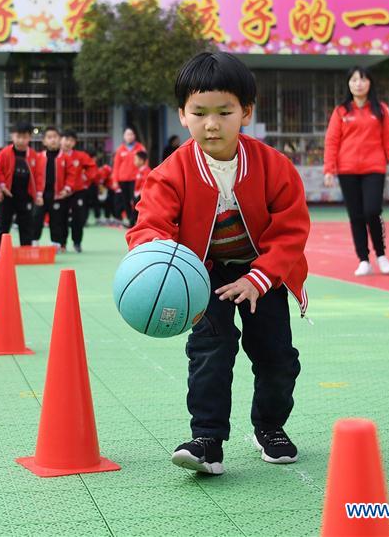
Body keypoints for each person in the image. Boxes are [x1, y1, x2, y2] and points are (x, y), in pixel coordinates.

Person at [128, 51, 310, 475]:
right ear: (182, 115)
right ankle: (207, 439)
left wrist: (259, 278)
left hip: (261, 272)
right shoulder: (169, 173)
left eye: (225, 112)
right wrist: (165, 266)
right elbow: (148, 227)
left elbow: (292, 230)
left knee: (277, 356)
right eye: (199, 112)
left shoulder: (273, 166)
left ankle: (271, 427)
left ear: (246, 111)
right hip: (202, 275)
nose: (212, 123)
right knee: (210, 349)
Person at [323, 65, 389, 277]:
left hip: (374, 168)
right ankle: (363, 259)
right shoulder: (341, 112)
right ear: (349, 84)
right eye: (354, 80)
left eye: (363, 80)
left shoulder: (381, 110)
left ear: (370, 83)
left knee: (372, 211)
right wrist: (329, 169)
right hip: (347, 170)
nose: (359, 84)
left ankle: (381, 254)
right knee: (356, 215)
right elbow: (332, 141)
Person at [0, 123, 42, 247]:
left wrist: (38, 194)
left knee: (26, 224)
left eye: (25, 137)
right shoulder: (4, 153)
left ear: (30, 138)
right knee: (3, 224)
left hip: (26, 195)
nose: (21, 140)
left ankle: (26, 249)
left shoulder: (33, 155)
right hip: (7, 195)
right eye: (18, 137)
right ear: (12, 136)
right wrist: (0, 188)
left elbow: (39, 176)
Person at [61, 130, 97, 253]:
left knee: (78, 218)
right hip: (61, 193)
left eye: (71, 140)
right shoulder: (56, 155)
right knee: (61, 218)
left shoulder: (80, 156)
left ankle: (77, 243)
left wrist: (85, 177)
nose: (68, 142)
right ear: (61, 140)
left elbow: (92, 167)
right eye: (66, 139)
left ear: (75, 143)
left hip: (78, 192)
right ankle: (62, 243)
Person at [32, 126, 63, 245]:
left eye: (55, 137)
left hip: (57, 195)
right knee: (36, 218)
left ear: (59, 139)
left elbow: (71, 174)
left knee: (56, 220)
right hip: (41, 195)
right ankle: (34, 241)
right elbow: (34, 176)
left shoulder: (63, 157)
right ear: (44, 141)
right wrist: (36, 194)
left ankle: (56, 243)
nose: (53, 140)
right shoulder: (39, 157)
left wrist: (66, 189)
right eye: (49, 137)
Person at [112, 126, 147, 227]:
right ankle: (130, 220)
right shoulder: (120, 149)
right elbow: (116, 166)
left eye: (131, 134)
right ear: (124, 136)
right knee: (125, 200)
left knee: (136, 200)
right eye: (127, 134)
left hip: (136, 179)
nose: (129, 136)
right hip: (123, 179)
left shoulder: (140, 148)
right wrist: (114, 180)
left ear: (134, 136)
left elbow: (145, 163)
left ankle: (136, 219)